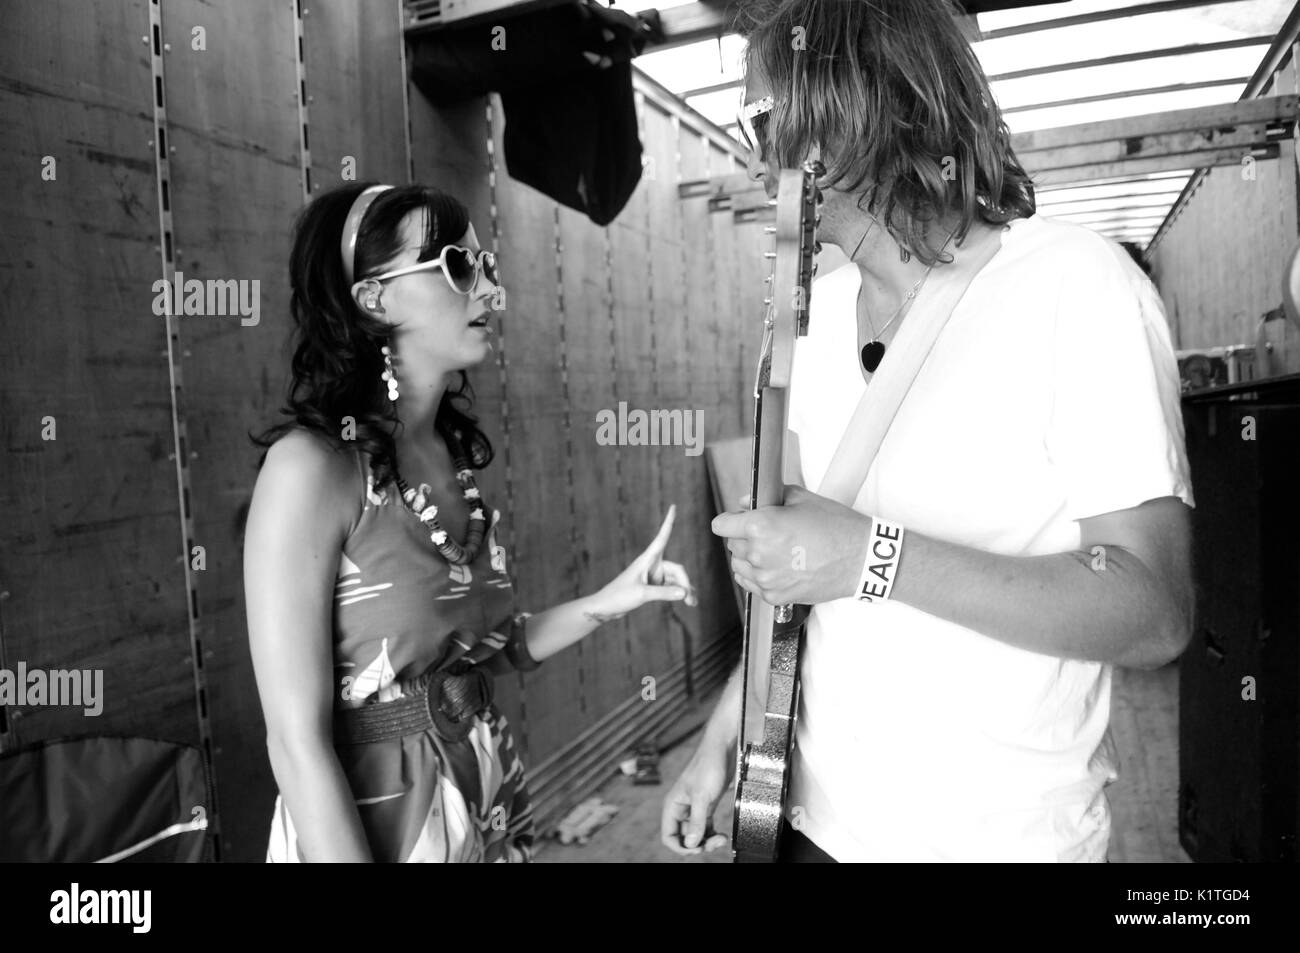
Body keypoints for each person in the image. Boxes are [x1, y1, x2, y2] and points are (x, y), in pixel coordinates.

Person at [662, 0, 1193, 862]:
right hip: (810, 827)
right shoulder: (802, 322)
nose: (750, 150)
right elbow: (798, 572)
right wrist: (721, 738)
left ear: (855, 106)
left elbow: (1153, 610)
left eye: (763, 117)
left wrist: (873, 556)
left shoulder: (1074, 284)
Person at [245, 182, 696, 862]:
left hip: (481, 803)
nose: (489, 288)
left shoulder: (446, 456)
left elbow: (493, 648)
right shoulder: (310, 469)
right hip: (377, 828)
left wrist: (613, 598)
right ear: (374, 299)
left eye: (486, 266)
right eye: (458, 265)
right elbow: (295, 742)